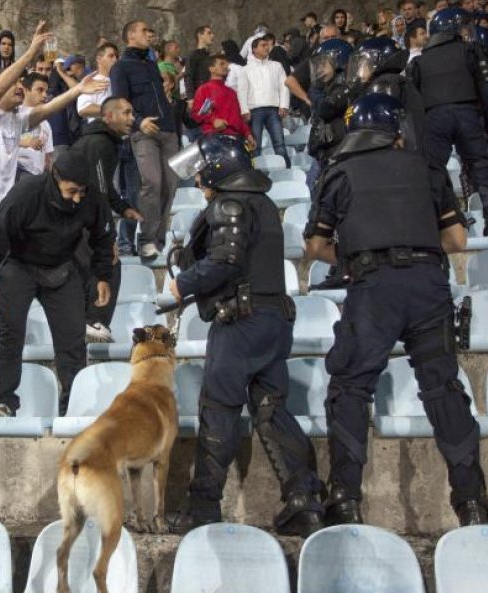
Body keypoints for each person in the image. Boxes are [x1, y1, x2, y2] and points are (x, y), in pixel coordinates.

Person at [304, 93, 488, 526]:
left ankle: (345, 500)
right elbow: (457, 240)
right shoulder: (427, 167)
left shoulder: (339, 172)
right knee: (443, 390)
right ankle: (472, 503)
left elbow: (315, 246)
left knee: (351, 388)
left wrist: (353, 257)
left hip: (374, 289)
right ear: (396, 131)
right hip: (428, 286)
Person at [166, 134, 324, 536]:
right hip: (273, 321)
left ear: (218, 169)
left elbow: (225, 260)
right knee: (271, 410)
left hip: (241, 323)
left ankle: (203, 507)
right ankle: (304, 501)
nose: (198, 178)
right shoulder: (263, 204)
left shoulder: (229, 204)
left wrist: (184, 283)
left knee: (219, 408)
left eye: (202, 171)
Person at [0, 21, 108, 347]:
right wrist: (31, 52)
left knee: (4, 269)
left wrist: (77, 91)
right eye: (15, 84)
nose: (20, 88)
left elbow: (47, 108)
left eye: (22, 85)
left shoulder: (16, 119)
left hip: (0, 206)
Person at [0, 151, 114, 417]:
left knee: (72, 338)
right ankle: (2, 401)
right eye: (71, 191)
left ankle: (73, 403)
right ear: (55, 179)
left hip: (62, 266)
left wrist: (103, 276)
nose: (77, 198)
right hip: (20, 264)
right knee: (10, 334)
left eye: (82, 192)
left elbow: (103, 237)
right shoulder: (28, 192)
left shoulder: (91, 197)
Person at [408, 7, 488, 236]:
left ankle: (432, 226)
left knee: (433, 172)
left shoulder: (420, 61)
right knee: (481, 167)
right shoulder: (470, 51)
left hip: (434, 118)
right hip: (466, 113)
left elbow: (414, 102)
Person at [70, 97, 143, 342]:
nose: (132, 118)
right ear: (109, 117)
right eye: (126, 113)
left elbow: (104, 186)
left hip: (76, 216)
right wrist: (108, 237)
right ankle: (93, 320)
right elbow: (99, 192)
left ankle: (86, 321)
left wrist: (123, 208)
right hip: (81, 217)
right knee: (109, 262)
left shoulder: (100, 141)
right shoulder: (100, 144)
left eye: (132, 113)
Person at [110, 19, 180, 259]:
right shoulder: (120, 67)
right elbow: (120, 102)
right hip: (144, 132)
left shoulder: (151, 64)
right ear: (131, 35)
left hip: (168, 130)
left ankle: (158, 241)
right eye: (144, 30)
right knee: (152, 183)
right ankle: (147, 240)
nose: (150, 34)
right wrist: (139, 121)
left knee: (170, 186)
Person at [238, 36, 292, 167]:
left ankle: (286, 170)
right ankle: (255, 173)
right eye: (263, 45)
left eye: (267, 45)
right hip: (254, 111)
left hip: (274, 109)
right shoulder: (246, 69)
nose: (267, 47)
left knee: (279, 143)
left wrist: (284, 105)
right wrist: (244, 110)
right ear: (254, 49)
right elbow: (242, 91)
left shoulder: (276, 66)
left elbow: (284, 86)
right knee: (255, 146)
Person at [307, 39, 354, 171]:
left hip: (337, 152)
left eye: (323, 64)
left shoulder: (344, 87)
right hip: (325, 152)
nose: (319, 69)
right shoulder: (328, 87)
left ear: (338, 62)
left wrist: (315, 92)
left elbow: (325, 109)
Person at [191, 54, 255, 146]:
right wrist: (213, 120)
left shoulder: (232, 92)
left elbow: (238, 118)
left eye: (226, 64)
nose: (226, 67)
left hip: (235, 139)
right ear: (211, 69)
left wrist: (248, 134)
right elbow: (196, 113)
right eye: (221, 64)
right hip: (214, 137)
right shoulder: (204, 89)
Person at [16, 73, 55, 179]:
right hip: (18, 172)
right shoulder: (14, 115)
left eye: (46, 91)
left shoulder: (46, 124)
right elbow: (0, 141)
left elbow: (48, 157)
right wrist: (26, 143)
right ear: (26, 90)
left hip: (38, 177)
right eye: (40, 90)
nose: (45, 95)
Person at [77, 43, 118, 121]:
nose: (115, 60)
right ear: (99, 59)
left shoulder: (119, 80)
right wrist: (112, 110)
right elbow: (83, 109)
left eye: (117, 57)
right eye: (111, 56)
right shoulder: (92, 81)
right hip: (100, 127)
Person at [185, 25, 216, 105]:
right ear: (200, 35)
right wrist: (190, 98)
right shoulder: (193, 55)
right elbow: (188, 76)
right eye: (209, 33)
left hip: (212, 95)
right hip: (200, 97)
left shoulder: (211, 56)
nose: (212, 35)